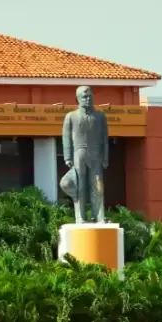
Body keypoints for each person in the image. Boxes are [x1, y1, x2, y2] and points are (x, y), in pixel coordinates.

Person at [61, 84, 110, 223]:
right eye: (84, 97)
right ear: (78, 99)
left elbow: (104, 139)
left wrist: (106, 157)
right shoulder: (71, 116)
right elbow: (66, 138)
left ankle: (99, 216)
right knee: (79, 187)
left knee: (98, 186)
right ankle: (80, 217)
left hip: (96, 154)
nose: (88, 99)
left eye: (90, 96)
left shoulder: (100, 117)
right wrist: (68, 157)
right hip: (79, 154)